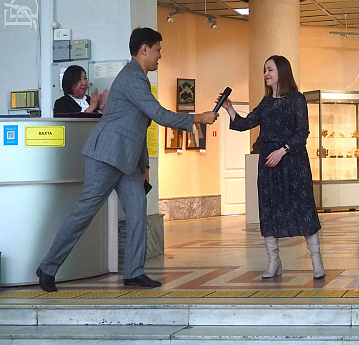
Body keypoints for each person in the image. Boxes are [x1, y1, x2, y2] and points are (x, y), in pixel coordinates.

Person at [36, 27, 219, 292]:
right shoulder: (133, 78)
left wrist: (144, 166)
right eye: (158, 50)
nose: (160, 56)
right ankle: (48, 267)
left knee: (137, 210)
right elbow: (159, 115)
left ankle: (134, 272)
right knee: (84, 213)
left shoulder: (137, 78)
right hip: (107, 156)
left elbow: (138, 127)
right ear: (144, 49)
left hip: (126, 161)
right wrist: (198, 118)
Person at [220, 55, 325, 280]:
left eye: (270, 70)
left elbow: (302, 133)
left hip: (293, 161)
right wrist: (229, 108)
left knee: (303, 207)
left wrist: (283, 150)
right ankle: (273, 261)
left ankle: (316, 259)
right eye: (265, 70)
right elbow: (245, 123)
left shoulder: (297, 99)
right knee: (269, 209)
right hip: (269, 163)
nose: (266, 74)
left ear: (282, 72)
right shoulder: (266, 102)